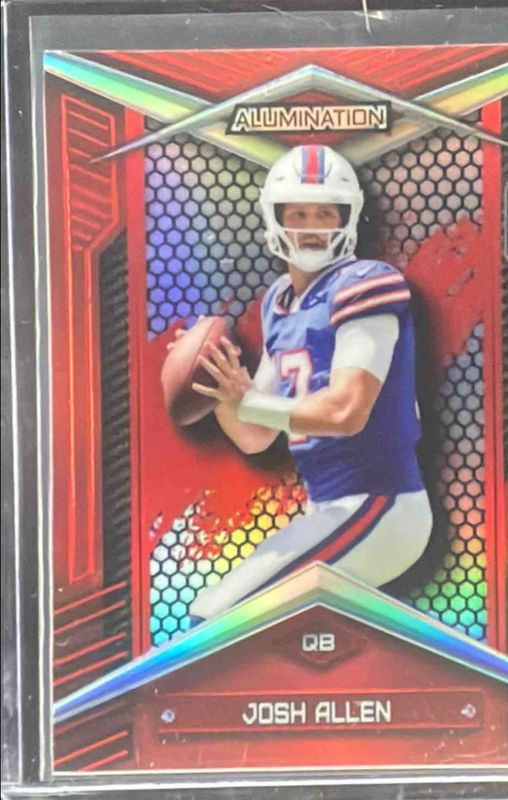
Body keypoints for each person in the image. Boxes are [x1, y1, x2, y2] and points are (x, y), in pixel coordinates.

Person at [184, 144, 432, 622]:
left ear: (348, 218)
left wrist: (246, 401)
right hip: (330, 509)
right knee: (213, 613)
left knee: (219, 619)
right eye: (298, 213)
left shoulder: (366, 283)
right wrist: (216, 387)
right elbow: (256, 435)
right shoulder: (279, 299)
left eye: (325, 213)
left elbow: (346, 412)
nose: (312, 226)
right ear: (275, 218)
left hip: (382, 504)